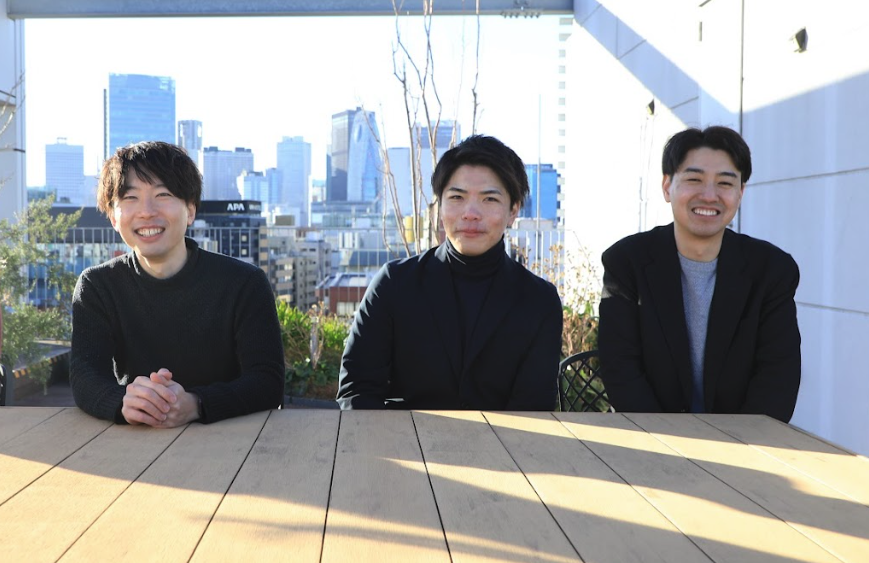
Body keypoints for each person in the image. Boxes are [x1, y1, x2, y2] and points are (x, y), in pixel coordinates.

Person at [337, 135, 563, 410]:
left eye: (489, 199)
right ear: (440, 205)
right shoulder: (395, 284)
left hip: (502, 439)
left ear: (513, 210)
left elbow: (533, 408)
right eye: (457, 197)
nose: (470, 213)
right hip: (402, 436)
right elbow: (357, 390)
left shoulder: (539, 300)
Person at [70, 141, 284, 427]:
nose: (146, 211)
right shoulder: (97, 286)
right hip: (135, 438)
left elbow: (267, 380)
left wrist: (196, 404)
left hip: (233, 436)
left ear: (191, 210)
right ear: (113, 217)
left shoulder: (244, 283)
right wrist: (125, 402)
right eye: (130, 197)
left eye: (163, 194)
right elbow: (85, 376)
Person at [598, 126, 801, 422]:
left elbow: (777, 377)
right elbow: (620, 368)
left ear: (740, 193)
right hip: (652, 436)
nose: (709, 195)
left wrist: (738, 442)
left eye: (725, 183)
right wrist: (669, 440)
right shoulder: (626, 262)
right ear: (667, 186)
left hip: (743, 440)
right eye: (694, 179)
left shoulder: (772, 270)